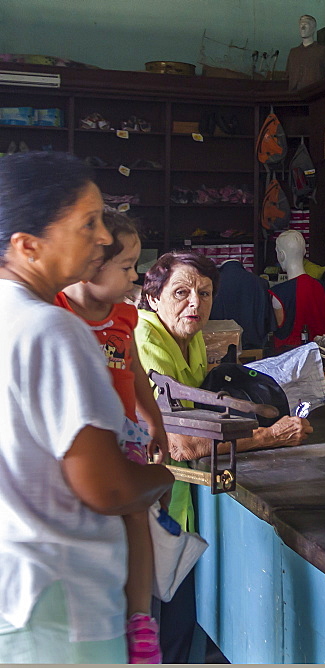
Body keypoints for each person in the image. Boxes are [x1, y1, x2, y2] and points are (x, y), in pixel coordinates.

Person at [0, 151, 174, 663]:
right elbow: (109, 487)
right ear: (28, 246)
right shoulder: (53, 329)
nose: (103, 237)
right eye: (88, 223)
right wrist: (164, 480)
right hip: (64, 610)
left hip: (18, 597)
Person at [134, 250, 313, 662]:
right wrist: (269, 435)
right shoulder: (146, 341)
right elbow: (179, 443)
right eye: (181, 292)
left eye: (205, 293)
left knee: (177, 627)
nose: (195, 303)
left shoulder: (189, 336)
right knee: (154, 633)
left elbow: (204, 409)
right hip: (147, 511)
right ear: (153, 296)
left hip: (175, 507)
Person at [56, 212, 169, 663]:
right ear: (89, 265)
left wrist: (154, 420)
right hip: (79, 435)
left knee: (136, 515)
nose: (135, 276)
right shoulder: (56, 311)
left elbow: (135, 370)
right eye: (125, 267)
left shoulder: (126, 314)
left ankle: (139, 618)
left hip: (125, 432)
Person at [269, 230, 325, 349]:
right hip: (323, 356)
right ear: (304, 252)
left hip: (289, 358)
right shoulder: (324, 288)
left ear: (281, 255)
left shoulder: (278, 294)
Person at [286, 14, 325, 91]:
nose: (302, 27)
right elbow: (287, 76)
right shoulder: (293, 53)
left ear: (313, 28)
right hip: (294, 96)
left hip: (314, 95)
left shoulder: (321, 51)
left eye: (306, 24)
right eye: (301, 24)